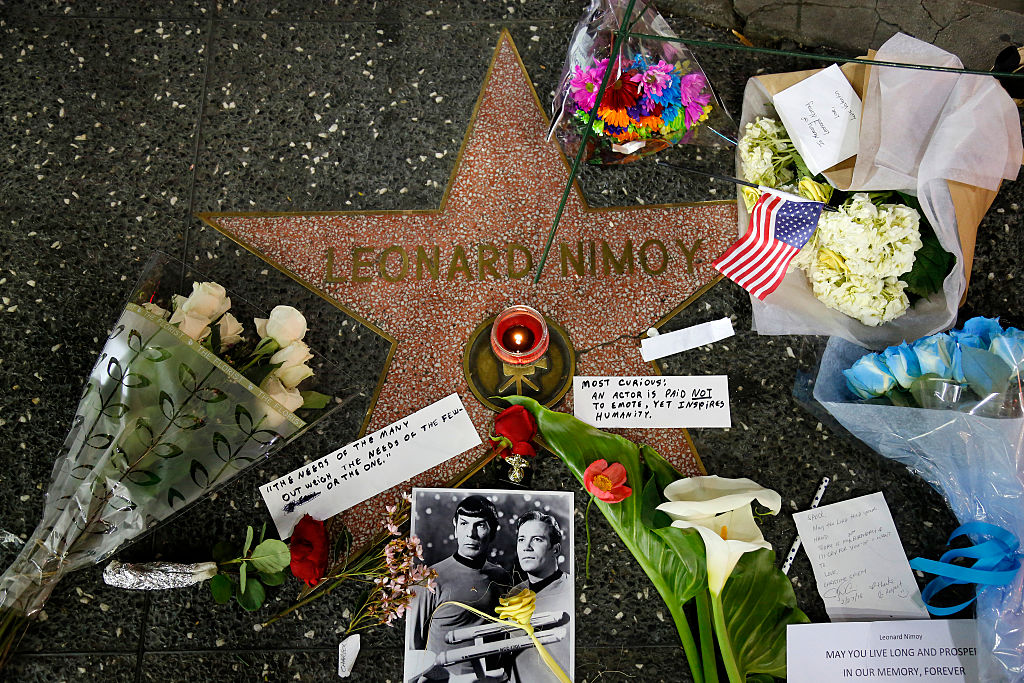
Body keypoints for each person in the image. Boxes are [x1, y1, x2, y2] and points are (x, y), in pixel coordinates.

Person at [407, 494, 512, 679]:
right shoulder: (429, 579)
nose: (470, 534)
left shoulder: (502, 577)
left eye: (480, 525)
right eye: (464, 524)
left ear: (493, 531)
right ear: (455, 527)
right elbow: (412, 650)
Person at [507, 511, 572, 683]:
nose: (526, 547)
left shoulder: (573, 590)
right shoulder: (513, 596)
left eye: (537, 539)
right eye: (521, 539)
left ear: (556, 549)